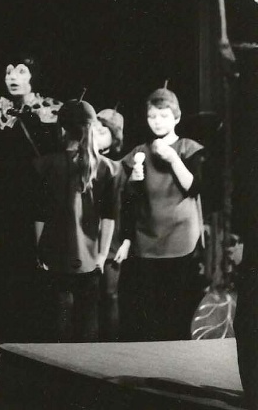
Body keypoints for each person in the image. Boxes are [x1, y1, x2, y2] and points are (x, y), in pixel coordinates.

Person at [0, 55, 62, 368]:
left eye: (20, 71)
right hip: (2, 202)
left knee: (34, 270)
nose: (13, 77)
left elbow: (60, 153)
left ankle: (30, 346)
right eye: (8, 72)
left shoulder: (50, 111)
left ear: (33, 76)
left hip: (39, 201)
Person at [119, 88, 204, 342]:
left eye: (164, 116)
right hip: (147, 237)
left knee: (178, 307)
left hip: (180, 238)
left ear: (176, 117)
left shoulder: (188, 148)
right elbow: (127, 198)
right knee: (149, 307)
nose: (157, 121)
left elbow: (194, 187)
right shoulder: (138, 151)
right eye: (152, 116)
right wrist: (133, 180)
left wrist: (174, 159)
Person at [33, 100, 118, 342]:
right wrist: (102, 255)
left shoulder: (44, 165)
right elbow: (109, 216)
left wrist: (39, 250)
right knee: (88, 316)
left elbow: (40, 214)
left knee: (60, 313)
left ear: (61, 129)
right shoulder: (107, 168)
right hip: (90, 255)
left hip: (55, 250)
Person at [93, 107, 128, 341]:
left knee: (109, 294)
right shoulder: (83, 164)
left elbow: (129, 208)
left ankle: (110, 345)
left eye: (104, 130)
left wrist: (126, 240)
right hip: (85, 238)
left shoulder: (119, 168)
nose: (97, 133)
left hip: (113, 240)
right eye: (95, 128)